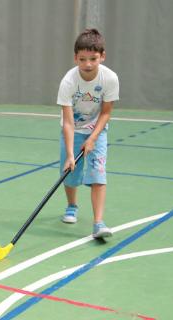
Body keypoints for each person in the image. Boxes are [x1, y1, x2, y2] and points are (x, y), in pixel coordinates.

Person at [57, 28, 119, 239]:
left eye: (93, 58)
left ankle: (98, 223)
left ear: (102, 56)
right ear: (75, 58)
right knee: (70, 173)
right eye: (82, 59)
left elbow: (106, 112)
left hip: (97, 130)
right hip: (73, 129)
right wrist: (70, 154)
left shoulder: (110, 79)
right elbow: (67, 120)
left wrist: (93, 138)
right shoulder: (68, 81)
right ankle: (72, 205)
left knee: (98, 174)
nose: (88, 64)